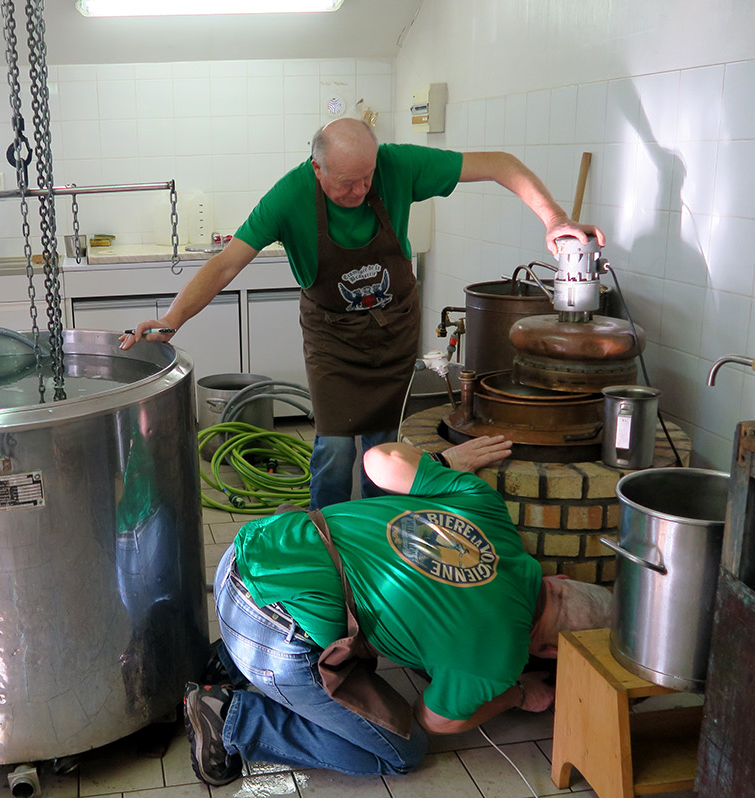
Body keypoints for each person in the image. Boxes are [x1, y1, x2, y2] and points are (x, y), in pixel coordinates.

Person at [120, 118, 605, 509]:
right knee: (334, 449)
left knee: (385, 447)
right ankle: (328, 538)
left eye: (367, 178)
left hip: (394, 331)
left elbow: (500, 164)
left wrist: (554, 219)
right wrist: (173, 317)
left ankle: (379, 535)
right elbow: (226, 264)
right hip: (333, 339)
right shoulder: (288, 197)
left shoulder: (397, 165)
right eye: (346, 183)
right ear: (317, 168)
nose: (359, 191)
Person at [182, 435, 615, 785]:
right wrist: (520, 694)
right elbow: (435, 720)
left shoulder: (487, 508)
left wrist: (445, 461)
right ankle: (233, 718)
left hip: (248, 549)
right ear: (552, 652)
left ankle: (226, 660)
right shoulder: (499, 661)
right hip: (268, 626)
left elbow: (377, 459)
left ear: (558, 579)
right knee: (401, 751)